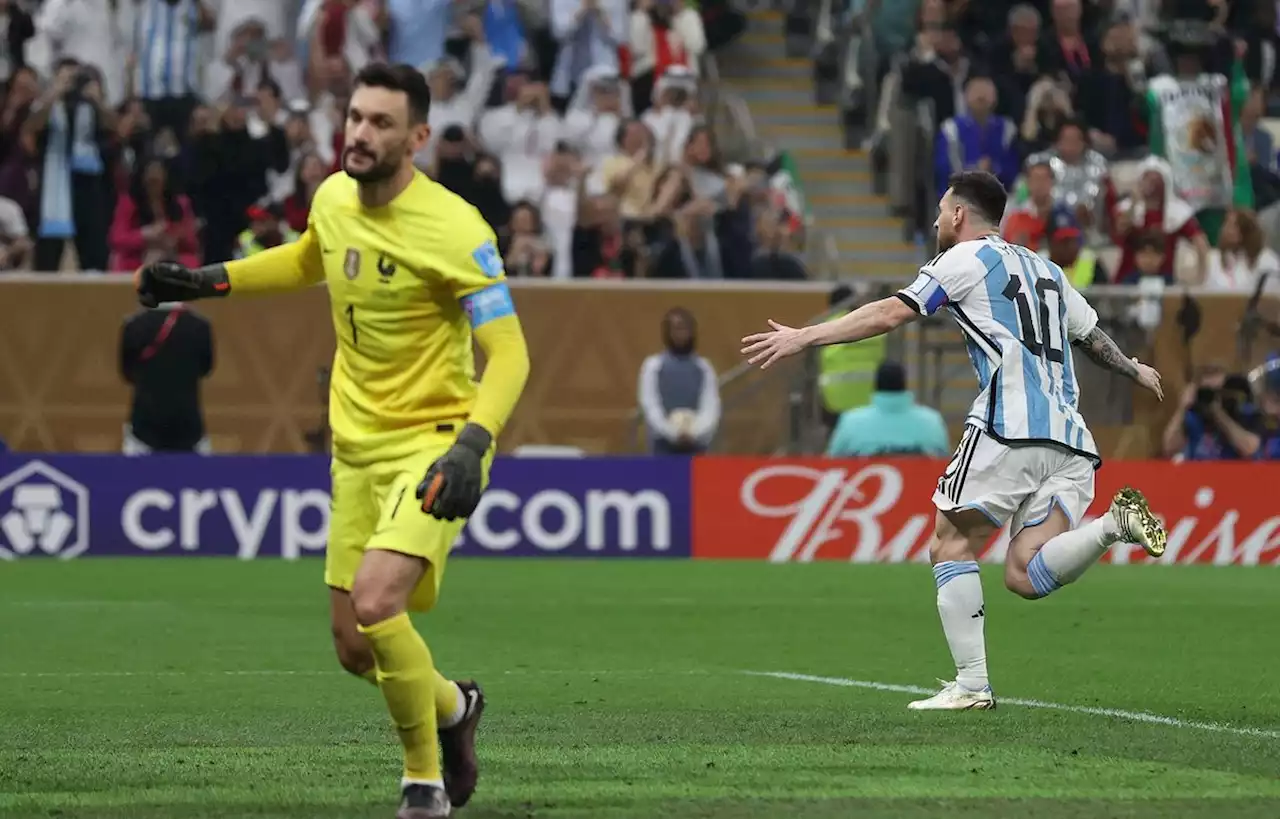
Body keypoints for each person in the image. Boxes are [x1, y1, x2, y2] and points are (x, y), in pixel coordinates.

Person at [131, 62, 532, 818]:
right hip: (355, 447)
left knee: (381, 601)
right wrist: (205, 281)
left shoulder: (457, 228)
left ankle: (423, 782)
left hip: (432, 442)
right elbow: (308, 257)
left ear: (417, 137)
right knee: (355, 644)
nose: (360, 133)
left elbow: (510, 352)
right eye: (355, 117)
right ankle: (453, 707)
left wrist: (474, 444)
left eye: (381, 123)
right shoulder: (332, 196)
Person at [741, 170, 1167, 711]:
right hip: (1071, 439)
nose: (939, 219)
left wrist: (806, 335)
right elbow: (1091, 337)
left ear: (960, 214)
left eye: (943, 210)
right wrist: (1133, 369)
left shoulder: (962, 259)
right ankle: (1113, 524)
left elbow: (893, 311)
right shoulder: (1049, 270)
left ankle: (971, 685)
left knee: (949, 541)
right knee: (1025, 573)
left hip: (1009, 425)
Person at [119, 304, 214, 455]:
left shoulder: (133, 326)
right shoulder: (200, 327)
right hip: (189, 429)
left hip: (144, 428)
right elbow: (206, 369)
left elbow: (127, 373)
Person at [638, 307, 720, 454]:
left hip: (697, 446)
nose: (680, 334)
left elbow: (710, 405)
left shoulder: (703, 367)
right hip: (662, 447)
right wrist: (673, 433)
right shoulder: (653, 366)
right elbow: (651, 405)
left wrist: (694, 432)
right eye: (676, 329)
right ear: (667, 332)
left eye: (685, 329)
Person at [826, 361, 950, 457]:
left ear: (876, 384)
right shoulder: (932, 422)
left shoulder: (851, 422)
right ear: (904, 384)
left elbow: (830, 465)